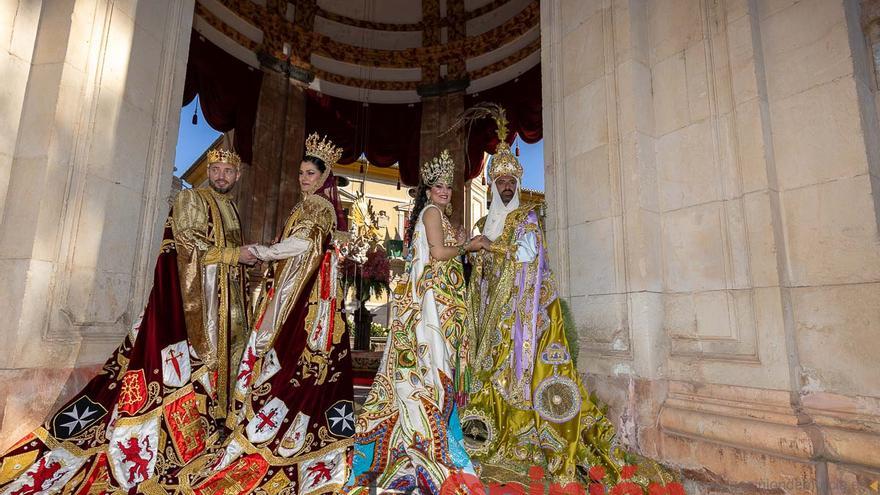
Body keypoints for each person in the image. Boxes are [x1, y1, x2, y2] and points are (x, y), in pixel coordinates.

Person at [0, 148, 257, 493]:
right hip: (194, 310)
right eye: (217, 169)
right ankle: (183, 439)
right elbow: (186, 244)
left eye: (228, 170)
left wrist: (244, 261)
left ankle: (209, 434)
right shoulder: (193, 199)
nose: (222, 175)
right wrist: (233, 255)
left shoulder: (232, 209)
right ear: (208, 172)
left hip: (224, 309)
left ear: (238, 176)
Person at [155, 133, 356, 494]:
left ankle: (244, 419)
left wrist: (262, 253)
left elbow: (300, 246)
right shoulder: (194, 199)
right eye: (301, 173)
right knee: (232, 354)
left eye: (310, 173)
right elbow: (190, 246)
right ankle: (211, 419)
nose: (303, 178)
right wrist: (245, 256)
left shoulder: (315, 207)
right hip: (205, 299)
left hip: (284, 296)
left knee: (263, 353)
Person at [460, 107, 630, 486]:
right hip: (494, 314)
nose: (505, 185)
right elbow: (482, 275)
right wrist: (477, 253)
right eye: (499, 179)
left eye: (510, 180)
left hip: (527, 314)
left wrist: (490, 247)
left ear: (517, 182)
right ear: (491, 183)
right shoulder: (483, 221)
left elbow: (528, 256)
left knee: (528, 377)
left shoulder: (527, 216)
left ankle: (531, 435)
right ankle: (489, 430)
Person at [345, 150, 488, 494]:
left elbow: (436, 251)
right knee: (435, 366)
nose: (444, 191)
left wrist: (462, 240)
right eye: (438, 186)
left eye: (448, 187)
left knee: (434, 366)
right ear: (427, 189)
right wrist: (470, 245)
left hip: (439, 302)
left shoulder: (432, 215)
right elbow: (438, 254)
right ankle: (432, 437)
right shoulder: (433, 212)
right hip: (433, 306)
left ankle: (434, 430)